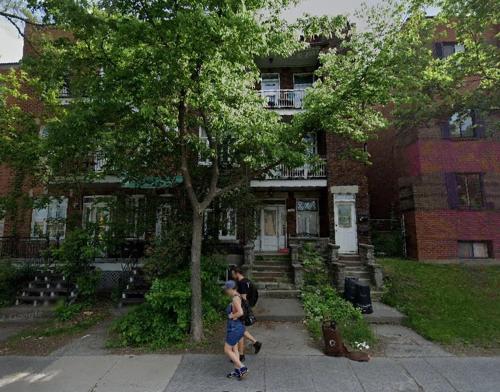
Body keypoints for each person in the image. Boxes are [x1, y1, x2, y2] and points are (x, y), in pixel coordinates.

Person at [231, 267, 262, 362]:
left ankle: (241, 355)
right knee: (241, 330)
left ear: (237, 273)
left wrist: (235, 294)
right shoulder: (247, 280)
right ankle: (255, 343)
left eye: (233, 273)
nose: (232, 275)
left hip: (242, 309)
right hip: (245, 308)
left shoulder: (242, 282)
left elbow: (243, 298)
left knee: (239, 331)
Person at [223, 280, 248, 380]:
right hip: (238, 327)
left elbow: (240, 312)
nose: (226, 291)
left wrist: (231, 315)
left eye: (226, 289)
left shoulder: (235, 299)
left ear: (230, 289)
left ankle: (242, 367)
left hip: (234, 328)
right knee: (234, 349)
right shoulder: (238, 295)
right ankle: (238, 371)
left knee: (227, 349)